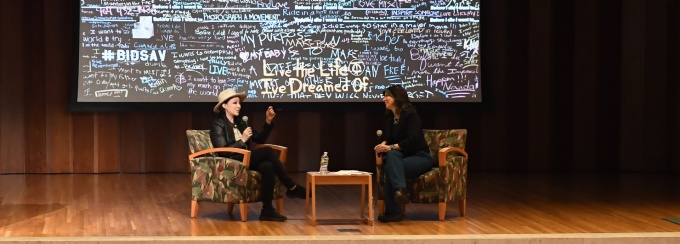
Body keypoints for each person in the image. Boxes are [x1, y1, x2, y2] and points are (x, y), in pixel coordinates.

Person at [210, 88, 306, 222]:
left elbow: (259, 139)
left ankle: (267, 210)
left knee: (267, 166)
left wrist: (268, 121)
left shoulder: (240, 122)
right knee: (267, 151)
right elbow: (222, 151)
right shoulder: (218, 125)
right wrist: (242, 141)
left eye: (239, 103)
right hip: (231, 161)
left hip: (246, 158)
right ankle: (291, 186)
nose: (239, 106)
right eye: (235, 103)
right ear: (224, 106)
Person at [373, 85, 434, 222]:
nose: (384, 99)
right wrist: (383, 144)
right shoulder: (389, 117)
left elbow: (413, 139)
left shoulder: (412, 115)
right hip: (400, 157)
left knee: (391, 166)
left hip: (419, 157)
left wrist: (392, 147)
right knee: (392, 158)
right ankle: (400, 191)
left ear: (396, 98)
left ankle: (393, 212)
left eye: (387, 96)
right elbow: (389, 139)